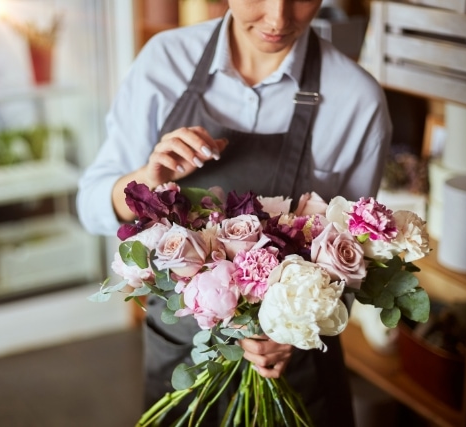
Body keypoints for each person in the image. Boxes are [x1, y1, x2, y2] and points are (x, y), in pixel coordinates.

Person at [77, 1, 392, 425]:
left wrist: (299, 329)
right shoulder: (165, 61)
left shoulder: (356, 99)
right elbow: (90, 204)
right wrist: (144, 183)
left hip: (294, 374)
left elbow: (354, 258)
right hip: (182, 358)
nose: (278, 19)